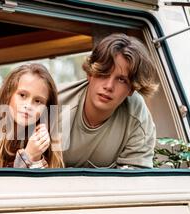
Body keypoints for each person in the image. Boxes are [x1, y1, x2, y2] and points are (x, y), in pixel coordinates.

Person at [59, 33, 158, 168]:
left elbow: (135, 180)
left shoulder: (136, 116)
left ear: (132, 89)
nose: (109, 86)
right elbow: (24, 162)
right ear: (90, 73)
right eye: (103, 73)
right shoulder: (55, 104)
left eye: (121, 80)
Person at [0, 63, 64, 168]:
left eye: (38, 101)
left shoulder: (45, 141)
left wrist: (36, 158)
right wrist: (29, 156)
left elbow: (43, 183)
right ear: (8, 94)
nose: (28, 106)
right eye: (22, 95)